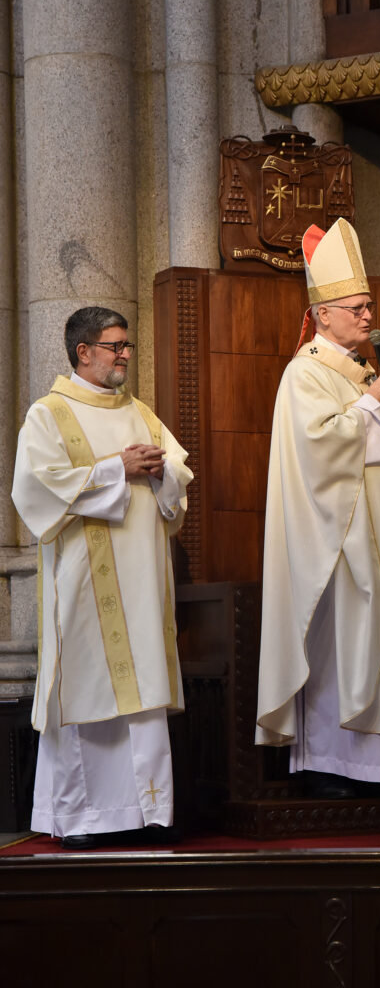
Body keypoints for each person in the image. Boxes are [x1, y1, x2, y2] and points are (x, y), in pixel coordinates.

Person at [256, 218, 380, 798]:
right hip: (338, 542)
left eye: (369, 306)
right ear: (323, 314)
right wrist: (373, 401)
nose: (369, 316)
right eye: (357, 307)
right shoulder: (305, 374)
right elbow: (318, 451)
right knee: (346, 647)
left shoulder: (367, 371)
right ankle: (331, 767)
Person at [12, 307, 193, 848]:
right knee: (90, 692)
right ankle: (84, 819)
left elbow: (178, 477)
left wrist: (163, 472)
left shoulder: (141, 412)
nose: (125, 355)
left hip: (143, 581)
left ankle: (149, 814)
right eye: (114, 346)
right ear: (82, 352)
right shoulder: (49, 415)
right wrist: (119, 468)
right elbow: (36, 491)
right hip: (85, 585)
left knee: (143, 697)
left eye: (127, 345)